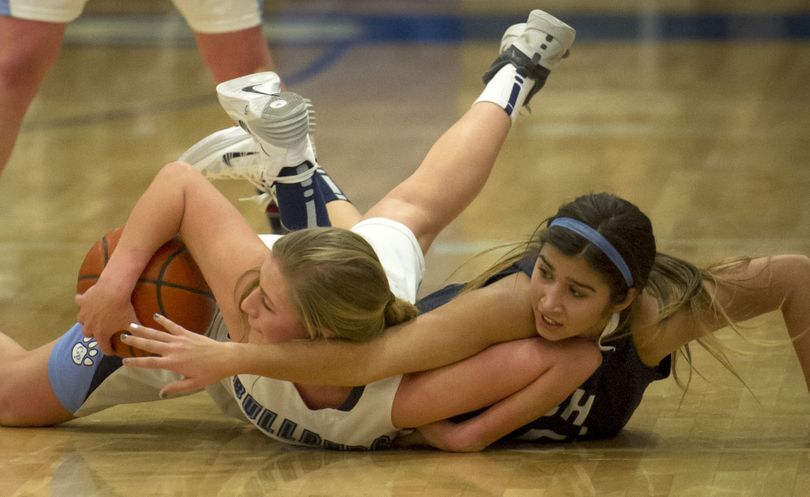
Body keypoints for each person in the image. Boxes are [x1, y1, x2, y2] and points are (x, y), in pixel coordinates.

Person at [0, 10, 600, 450]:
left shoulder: (392, 386)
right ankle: (516, 71)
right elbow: (180, 183)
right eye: (259, 282)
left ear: (314, 333)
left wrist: (462, 437)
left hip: (255, 328)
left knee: (405, 213)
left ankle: (297, 169)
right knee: (416, 205)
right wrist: (117, 283)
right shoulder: (240, 294)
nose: (247, 297)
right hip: (183, 322)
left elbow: (571, 357)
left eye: (265, 301)